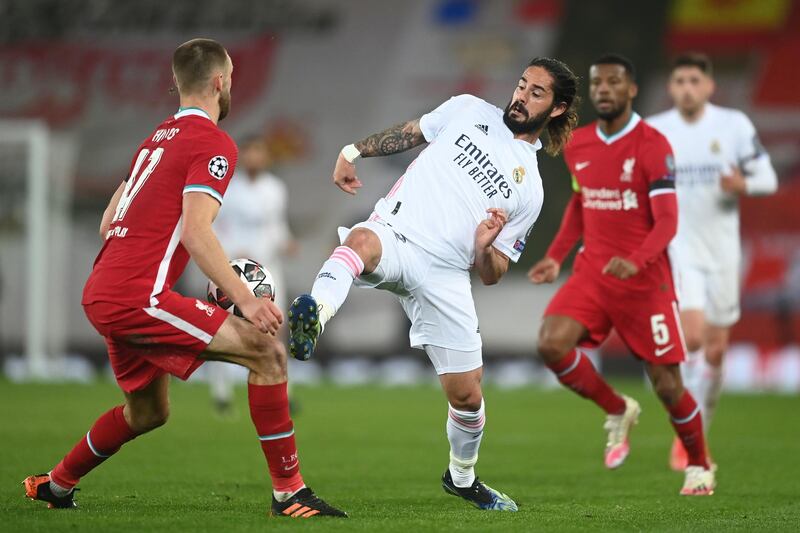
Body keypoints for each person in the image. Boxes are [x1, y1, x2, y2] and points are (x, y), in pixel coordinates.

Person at [23, 38, 345, 518]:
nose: (231, 84)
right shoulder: (214, 142)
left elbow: (108, 224)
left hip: (103, 290)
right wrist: (245, 299)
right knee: (268, 353)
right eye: (231, 76)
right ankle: (290, 494)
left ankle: (57, 483)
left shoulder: (155, 141)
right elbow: (196, 233)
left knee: (149, 412)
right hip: (137, 295)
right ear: (219, 83)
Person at [288, 57, 579, 511]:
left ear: (557, 109)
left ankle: (462, 478)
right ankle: (315, 316)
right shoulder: (468, 109)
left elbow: (493, 271)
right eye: (522, 85)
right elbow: (411, 131)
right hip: (398, 233)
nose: (521, 96)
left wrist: (484, 247)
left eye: (536, 93)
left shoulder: (532, 190)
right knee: (361, 241)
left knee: (467, 396)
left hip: (446, 274)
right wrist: (353, 151)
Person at [528, 54, 715, 496]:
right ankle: (617, 409)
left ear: (631, 90)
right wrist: (556, 256)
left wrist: (637, 259)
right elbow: (581, 203)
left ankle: (700, 464)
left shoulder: (652, 145)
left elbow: (668, 220)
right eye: (598, 84)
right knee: (551, 343)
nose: (605, 90)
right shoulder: (581, 144)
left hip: (646, 281)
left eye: (614, 83)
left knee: (668, 387)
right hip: (593, 274)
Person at [647, 53, 778, 470]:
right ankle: (685, 434)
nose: (687, 87)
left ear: (708, 86)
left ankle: (698, 428)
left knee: (717, 350)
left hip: (722, 251)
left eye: (694, 81)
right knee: (694, 337)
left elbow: (768, 178)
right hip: (678, 247)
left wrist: (743, 183)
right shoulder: (655, 131)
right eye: (680, 80)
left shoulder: (733, 125)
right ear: (672, 87)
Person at [208, 135, 297, 416]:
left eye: (260, 152)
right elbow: (214, 227)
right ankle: (221, 391)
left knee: (276, 326)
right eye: (250, 152)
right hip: (236, 269)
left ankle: (284, 391)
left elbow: (277, 226)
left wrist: (287, 241)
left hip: (268, 268)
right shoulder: (228, 190)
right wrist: (233, 251)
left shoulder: (275, 188)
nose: (255, 157)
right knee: (227, 328)